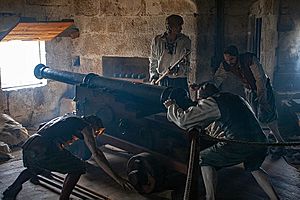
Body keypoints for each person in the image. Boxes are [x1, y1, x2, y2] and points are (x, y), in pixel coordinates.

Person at [163, 82, 279, 200]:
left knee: (203, 158)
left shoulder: (212, 103)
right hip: (260, 142)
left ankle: (210, 197)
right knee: (254, 168)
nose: (198, 103)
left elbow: (184, 121)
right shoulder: (235, 97)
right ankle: (275, 198)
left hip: (241, 144)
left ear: (206, 97)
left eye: (199, 100)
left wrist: (171, 106)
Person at [2, 114, 133, 200]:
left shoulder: (68, 118)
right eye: (97, 131)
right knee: (78, 167)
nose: (96, 135)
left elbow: (42, 127)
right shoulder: (85, 126)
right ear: (93, 125)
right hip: (42, 149)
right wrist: (117, 178)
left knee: (37, 167)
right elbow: (96, 154)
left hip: (29, 146)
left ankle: (12, 189)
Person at [214, 45, 285, 143]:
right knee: (253, 114)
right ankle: (261, 140)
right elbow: (217, 79)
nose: (229, 62)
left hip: (263, 87)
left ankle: (280, 141)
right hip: (249, 89)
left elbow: (260, 79)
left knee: (268, 113)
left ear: (237, 56)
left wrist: (262, 99)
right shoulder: (226, 65)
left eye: (231, 59)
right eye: (227, 60)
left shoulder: (249, 59)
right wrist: (205, 86)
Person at [149, 14, 191, 92]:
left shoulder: (185, 41)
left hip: (180, 80)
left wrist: (177, 70)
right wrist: (153, 76)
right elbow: (153, 60)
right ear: (170, 26)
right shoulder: (157, 40)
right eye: (178, 26)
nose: (181, 28)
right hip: (163, 79)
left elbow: (186, 62)